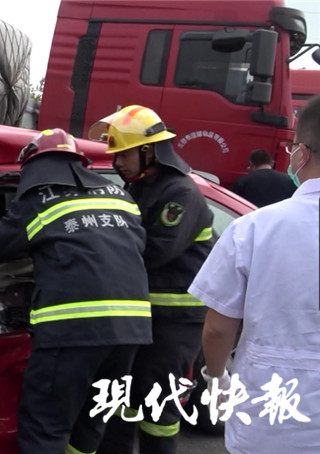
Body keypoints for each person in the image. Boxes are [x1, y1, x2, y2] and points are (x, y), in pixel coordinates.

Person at [0, 129, 152, 454]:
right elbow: (136, 244)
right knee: (92, 420)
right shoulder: (120, 195)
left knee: (44, 427)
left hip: (72, 331)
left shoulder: (37, 199)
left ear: (34, 167)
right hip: (131, 331)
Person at [188, 94, 320, 453]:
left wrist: (216, 378)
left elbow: (218, 329)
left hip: (269, 419)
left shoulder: (252, 229)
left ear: (302, 154)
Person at [90, 105, 215, 454]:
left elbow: (155, 250)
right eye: (115, 156)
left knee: (158, 402)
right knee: (124, 396)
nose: (117, 163)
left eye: (124, 154)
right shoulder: (140, 187)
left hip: (176, 319)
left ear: (149, 150)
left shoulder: (180, 193)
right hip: (144, 314)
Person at [230, 148, 295, 207]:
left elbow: (234, 205)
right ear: (271, 163)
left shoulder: (243, 181)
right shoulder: (289, 181)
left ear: (251, 164)